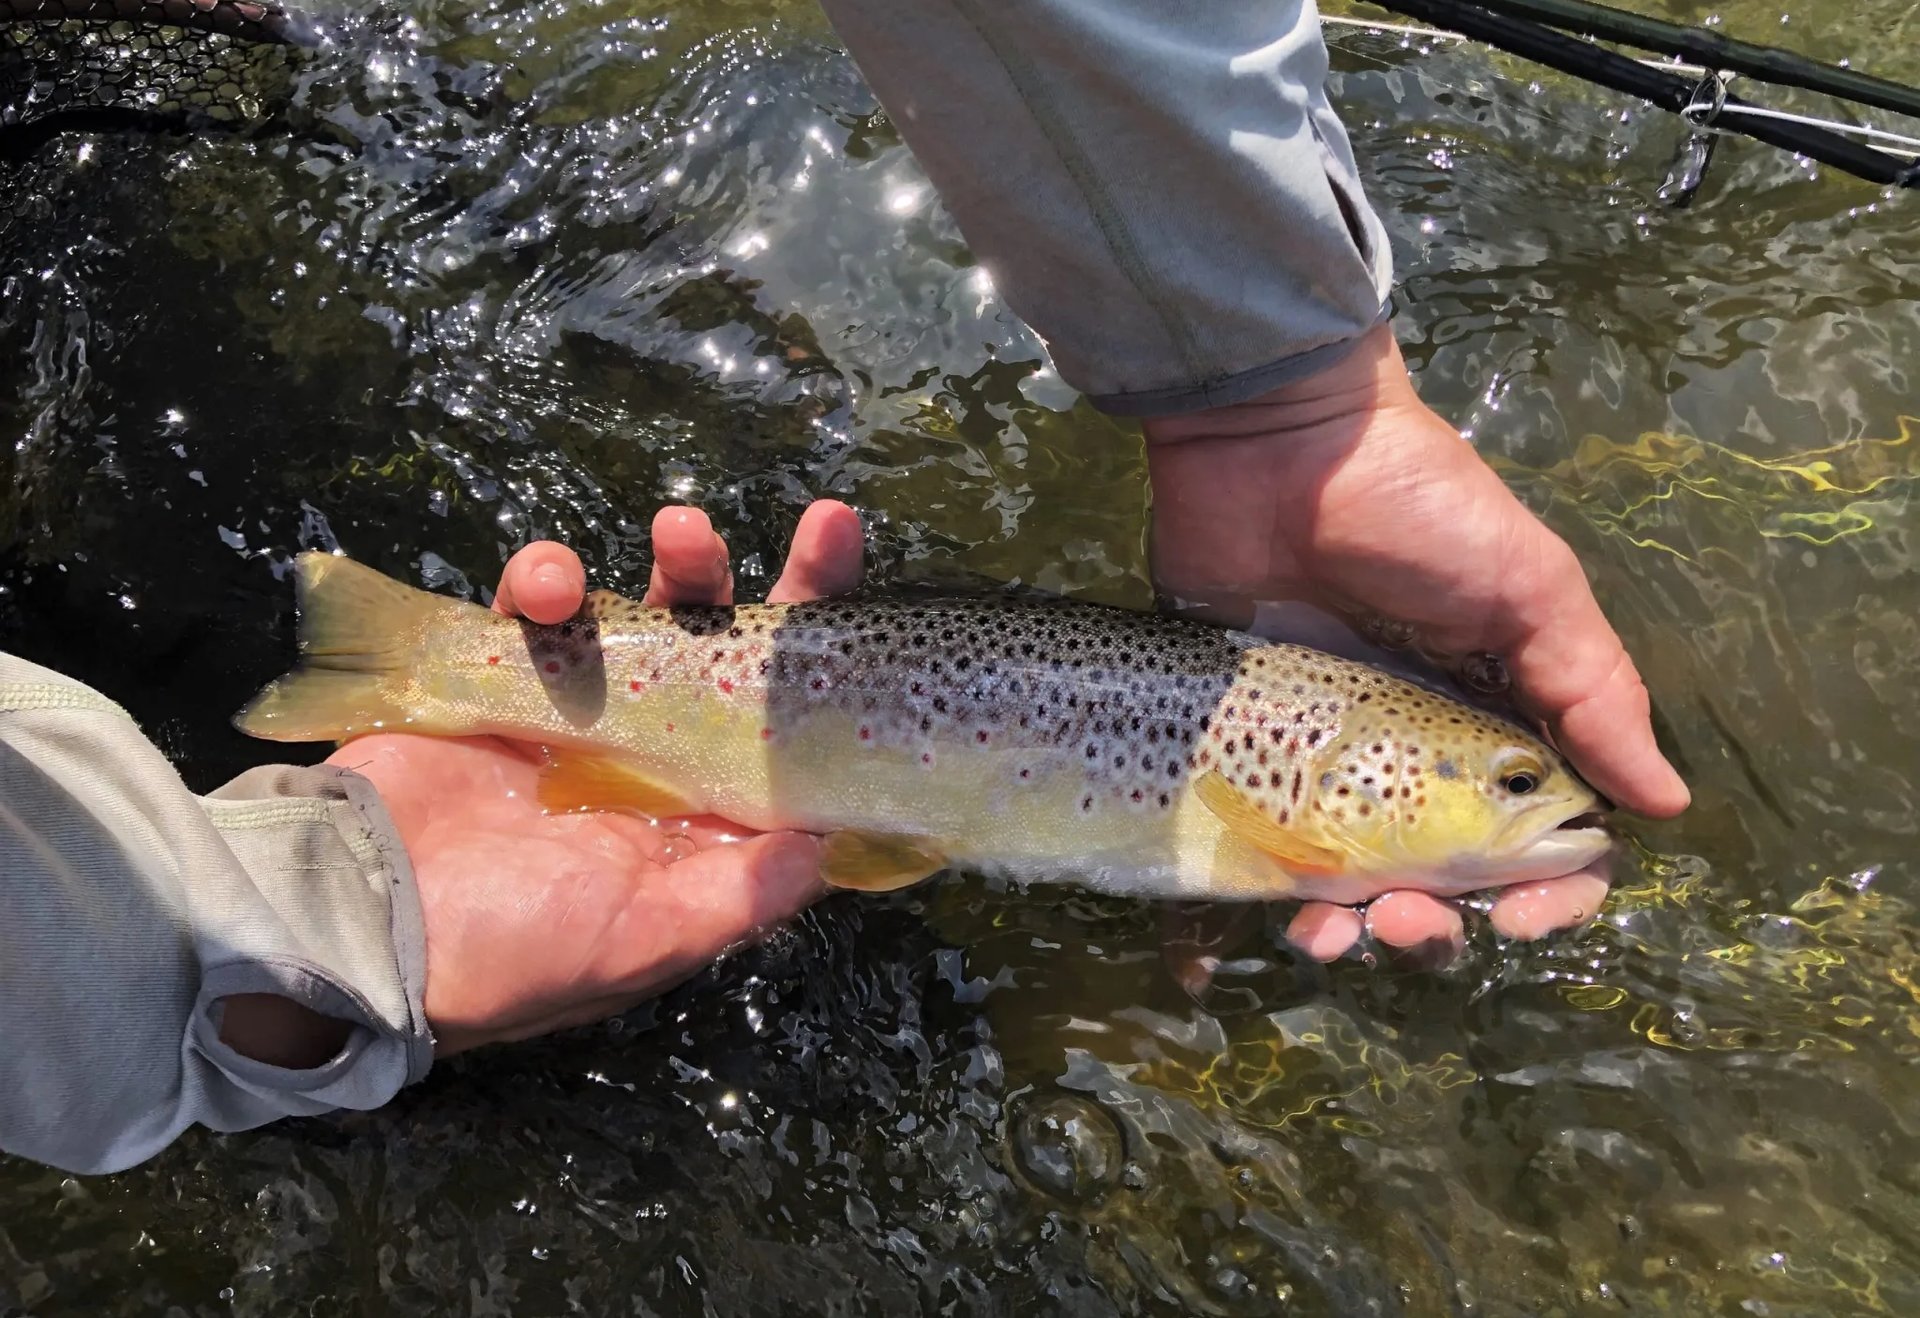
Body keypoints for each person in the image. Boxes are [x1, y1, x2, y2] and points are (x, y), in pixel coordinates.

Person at [0, 0, 1687, 1176]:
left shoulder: (1317, 777)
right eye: (1511, 779)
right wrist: (244, 949)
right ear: (1348, 794)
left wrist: (1283, 397)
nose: (1540, 795)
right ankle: (423, 662)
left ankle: (425, 667)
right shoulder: (1300, 819)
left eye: (1518, 780)